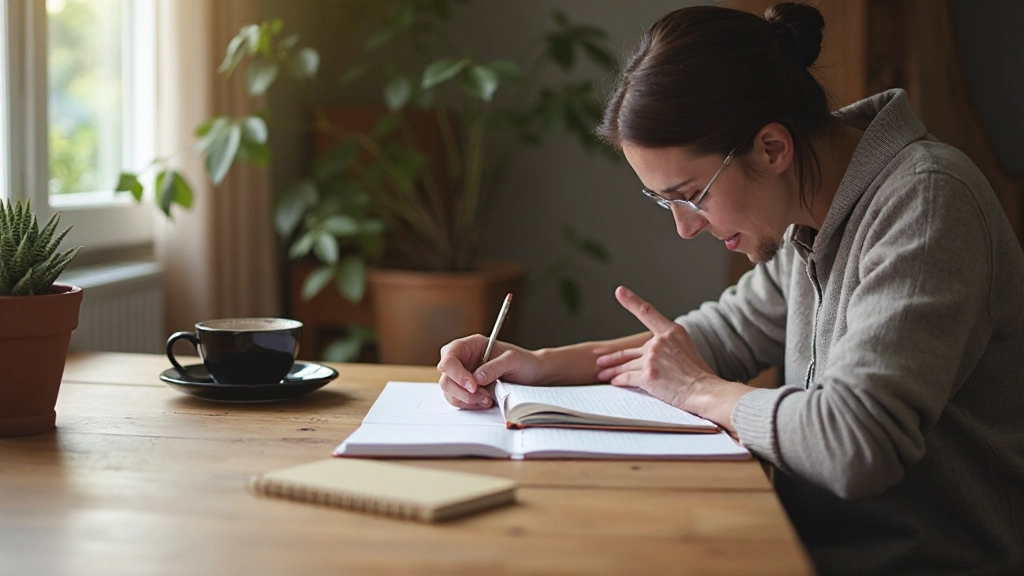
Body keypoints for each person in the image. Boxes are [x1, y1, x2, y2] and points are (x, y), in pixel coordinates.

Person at [436, 3, 1024, 575]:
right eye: (666, 202)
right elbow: (716, 337)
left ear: (772, 148)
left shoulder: (925, 205)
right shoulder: (812, 208)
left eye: (691, 195)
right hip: (801, 548)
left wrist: (699, 390)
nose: (686, 227)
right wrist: (537, 366)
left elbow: (855, 443)